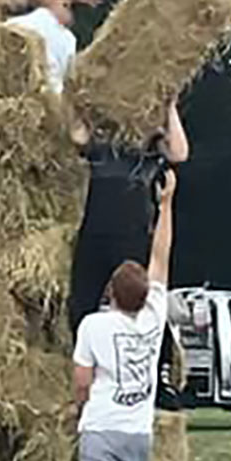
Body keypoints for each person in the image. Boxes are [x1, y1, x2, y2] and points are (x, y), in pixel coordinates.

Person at [73, 169, 177, 461]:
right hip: (139, 431)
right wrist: (167, 205)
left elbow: (82, 380)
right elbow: (161, 256)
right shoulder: (155, 316)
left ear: (111, 293)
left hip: (103, 429)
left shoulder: (94, 325)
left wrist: (79, 408)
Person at [68, 100, 189, 337]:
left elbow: (179, 152)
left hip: (134, 232)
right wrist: (80, 98)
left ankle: (157, 363)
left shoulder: (151, 139)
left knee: (144, 301)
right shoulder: (102, 135)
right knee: (81, 305)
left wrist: (170, 106)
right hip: (95, 231)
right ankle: (84, 358)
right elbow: (78, 137)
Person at [7, 0, 76, 94]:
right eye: (68, 7)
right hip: (50, 97)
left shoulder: (11, 24)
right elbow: (69, 76)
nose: (71, 14)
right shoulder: (68, 38)